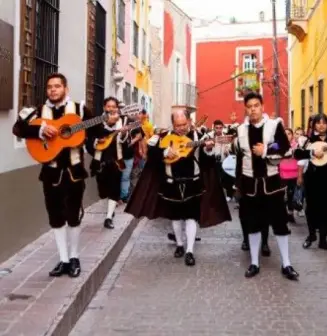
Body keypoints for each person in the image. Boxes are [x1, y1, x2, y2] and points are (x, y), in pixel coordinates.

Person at [12, 72, 112, 278]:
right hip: (50, 173)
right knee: (55, 216)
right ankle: (63, 259)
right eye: (50, 87)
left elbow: (97, 133)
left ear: (66, 89)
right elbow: (18, 128)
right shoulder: (38, 111)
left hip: (74, 172)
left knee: (73, 216)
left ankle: (74, 257)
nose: (53, 90)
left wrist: (107, 126)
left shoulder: (79, 110)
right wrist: (39, 131)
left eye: (57, 86)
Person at [125, 110, 231, 266]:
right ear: (172, 124)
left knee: (191, 216)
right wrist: (165, 151)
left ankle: (189, 250)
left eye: (184, 124)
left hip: (193, 182)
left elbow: (207, 161)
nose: (181, 128)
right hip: (171, 182)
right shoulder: (163, 136)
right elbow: (151, 153)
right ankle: (180, 245)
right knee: (175, 216)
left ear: (188, 121)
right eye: (178, 125)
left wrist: (208, 149)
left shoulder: (197, 137)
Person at [234, 92, 299, 280]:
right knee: (252, 224)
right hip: (249, 184)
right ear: (245, 108)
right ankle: (254, 263)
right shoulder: (241, 130)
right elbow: (240, 158)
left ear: (262, 106)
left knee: (279, 223)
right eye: (249, 106)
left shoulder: (274, 125)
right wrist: (237, 185)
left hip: (272, 184)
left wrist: (267, 150)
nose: (253, 109)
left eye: (256, 105)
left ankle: (286, 264)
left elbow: (284, 147)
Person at [294, 114, 327, 250]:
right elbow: (297, 154)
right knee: (311, 208)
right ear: (314, 125)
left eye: (324, 123)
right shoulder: (309, 140)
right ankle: (312, 234)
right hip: (313, 178)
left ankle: (323, 239)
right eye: (318, 123)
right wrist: (312, 153)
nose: (321, 125)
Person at [87, 97, 136, 229]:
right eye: (108, 106)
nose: (111, 109)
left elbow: (127, 146)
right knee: (103, 192)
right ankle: (110, 207)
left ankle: (108, 217)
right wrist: (97, 142)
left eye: (114, 107)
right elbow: (88, 141)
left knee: (114, 189)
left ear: (117, 108)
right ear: (104, 108)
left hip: (116, 161)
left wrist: (124, 134)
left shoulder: (123, 123)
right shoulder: (97, 122)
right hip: (100, 161)